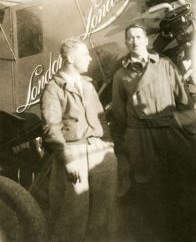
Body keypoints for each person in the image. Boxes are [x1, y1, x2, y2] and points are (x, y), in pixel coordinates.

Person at [111, 23, 196, 241]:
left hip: (170, 134)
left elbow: (184, 103)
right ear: (126, 42)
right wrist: (125, 145)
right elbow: (119, 116)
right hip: (142, 139)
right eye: (130, 38)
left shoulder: (165, 65)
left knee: (181, 184)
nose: (135, 41)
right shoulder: (121, 75)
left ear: (147, 40)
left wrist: (183, 128)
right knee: (150, 191)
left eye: (139, 36)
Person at [40, 37, 118, 242]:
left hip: (99, 151)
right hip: (74, 154)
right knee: (73, 217)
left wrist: (109, 146)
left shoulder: (88, 86)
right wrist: (67, 159)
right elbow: (51, 128)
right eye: (85, 54)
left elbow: (101, 118)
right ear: (70, 58)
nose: (90, 59)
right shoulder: (53, 89)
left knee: (105, 213)